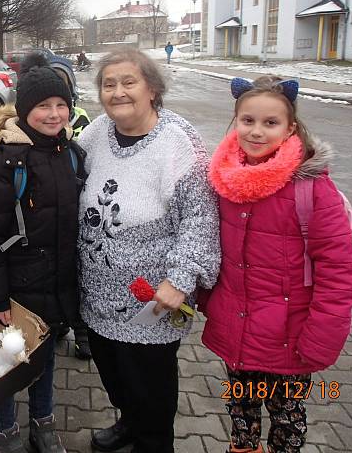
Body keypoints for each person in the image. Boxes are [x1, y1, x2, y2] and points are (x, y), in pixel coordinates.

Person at [200, 75, 352, 453]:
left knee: (286, 417)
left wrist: (321, 338)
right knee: (241, 410)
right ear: (235, 121)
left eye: (270, 123)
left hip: (291, 338)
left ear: (290, 129)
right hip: (237, 329)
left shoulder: (311, 188)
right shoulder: (224, 180)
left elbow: (338, 273)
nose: (256, 132)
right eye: (247, 120)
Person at [76, 49, 220, 453]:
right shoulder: (96, 133)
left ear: (153, 89)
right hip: (98, 289)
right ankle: (129, 423)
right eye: (108, 84)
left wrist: (181, 278)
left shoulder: (176, 140)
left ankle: (154, 441)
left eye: (128, 82)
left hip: (153, 296)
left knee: (150, 381)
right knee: (113, 370)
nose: (117, 92)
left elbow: (201, 216)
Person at [0, 53, 86, 453]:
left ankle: (44, 423)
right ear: (24, 111)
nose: (53, 115)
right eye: (43, 106)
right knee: (6, 361)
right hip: (17, 285)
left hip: (55, 282)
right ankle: (4, 430)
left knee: (46, 360)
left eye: (61, 106)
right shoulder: (6, 160)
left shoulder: (71, 153)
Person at [47, 55, 92, 360]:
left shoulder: (82, 120)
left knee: (79, 275)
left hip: (80, 204)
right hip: (51, 211)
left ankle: (83, 331)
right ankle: (60, 321)